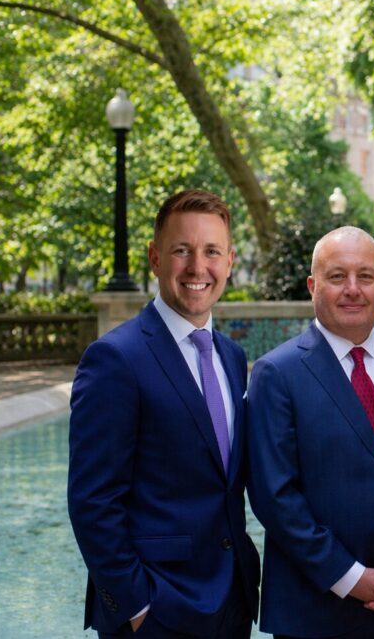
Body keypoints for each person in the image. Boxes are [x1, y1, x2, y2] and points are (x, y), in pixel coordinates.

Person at [246, 226, 374, 639]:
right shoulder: (277, 374)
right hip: (314, 612)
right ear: (313, 285)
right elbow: (275, 496)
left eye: (364, 277)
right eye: (337, 276)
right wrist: (347, 575)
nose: (352, 290)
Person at [67, 189, 260, 638]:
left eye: (211, 251)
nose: (198, 267)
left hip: (232, 603)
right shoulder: (114, 359)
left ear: (229, 261)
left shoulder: (231, 357)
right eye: (181, 250)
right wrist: (134, 605)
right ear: (155, 258)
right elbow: (92, 501)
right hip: (156, 612)